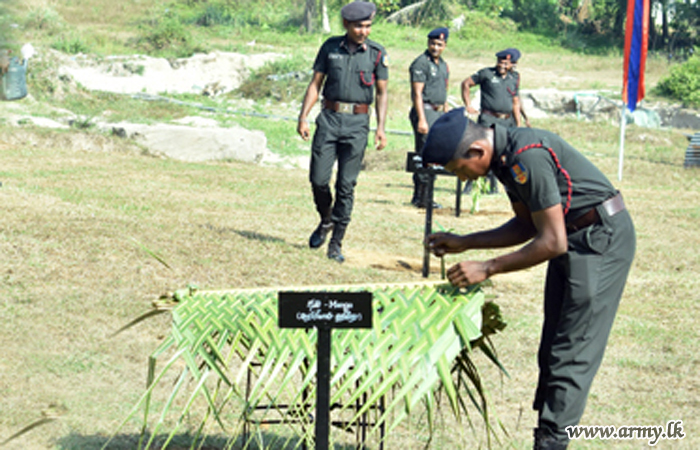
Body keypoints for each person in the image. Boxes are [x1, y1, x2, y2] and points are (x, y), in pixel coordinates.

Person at [422, 108, 636, 450]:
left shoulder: (526, 156)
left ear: (477, 151)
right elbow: (526, 225)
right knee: (552, 343)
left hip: (599, 240)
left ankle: (552, 439)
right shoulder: (506, 159)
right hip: (574, 237)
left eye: (458, 170)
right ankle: (548, 431)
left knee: (572, 348)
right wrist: (466, 242)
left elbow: (551, 241)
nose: (462, 179)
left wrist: (487, 267)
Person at [297, 1, 389, 263]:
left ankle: (336, 243)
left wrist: (381, 127)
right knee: (318, 179)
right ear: (347, 25)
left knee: (346, 185)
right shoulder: (329, 47)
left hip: (358, 125)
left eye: (368, 26)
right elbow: (316, 84)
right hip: (329, 119)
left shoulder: (377, 53)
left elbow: (382, 93)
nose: (364, 31)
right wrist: (303, 116)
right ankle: (326, 220)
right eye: (359, 26)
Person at [461, 48, 522, 194]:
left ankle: (493, 186)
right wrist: (468, 105)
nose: (502, 65)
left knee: (501, 154)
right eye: (500, 62)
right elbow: (466, 84)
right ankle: (470, 184)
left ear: (511, 64)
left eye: (506, 63)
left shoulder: (515, 77)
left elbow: (515, 101)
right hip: (488, 119)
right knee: (481, 152)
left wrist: (518, 124)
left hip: (506, 121)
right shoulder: (486, 73)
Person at [408, 27, 450, 209]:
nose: (435, 47)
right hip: (425, 111)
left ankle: (426, 195)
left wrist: (446, 112)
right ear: (428, 43)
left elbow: (443, 91)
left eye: (439, 44)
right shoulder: (421, 63)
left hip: (438, 113)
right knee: (424, 154)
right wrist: (422, 119)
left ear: (444, 45)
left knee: (435, 154)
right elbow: (417, 94)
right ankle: (422, 197)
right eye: (433, 43)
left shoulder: (443, 65)